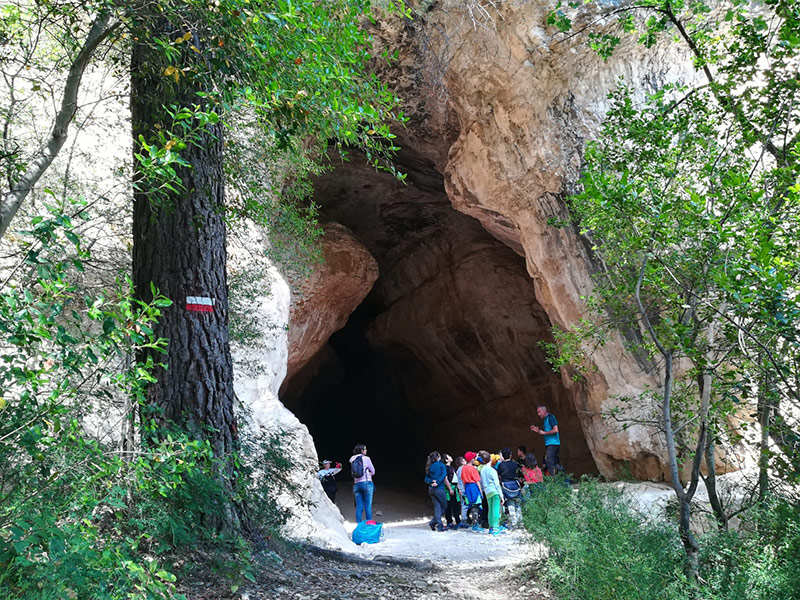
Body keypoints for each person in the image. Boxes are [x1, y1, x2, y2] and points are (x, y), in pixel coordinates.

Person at [478, 450, 505, 536]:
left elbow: (481, 482)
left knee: (490, 509)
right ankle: (496, 528)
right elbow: (497, 484)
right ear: (490, 460)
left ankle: (491, 527)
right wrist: (501, 496)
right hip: (494, 491)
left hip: (487, 491)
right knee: (496, 510)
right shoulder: (492, 470)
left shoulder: (482, 470)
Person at [530, 404, 562, 476]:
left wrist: (544, 432)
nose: (538, 414)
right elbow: (544, 432)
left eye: (539, 412)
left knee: (548, 460)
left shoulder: (550, 417)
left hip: (553, 443)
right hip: (549, 443)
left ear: (544, 411)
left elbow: (555, 430)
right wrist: (538, 431)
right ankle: (560, 476)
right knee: (553, 461)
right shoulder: (545, 419)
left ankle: (554, 479)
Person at [496, 447, 523, 527]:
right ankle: (520, 522)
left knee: (510, 503)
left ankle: (514, 522)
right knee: (518, 503)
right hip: (515, 485)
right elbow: (519, 474)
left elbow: (499, 476)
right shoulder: (515, 464)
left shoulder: (500, 465)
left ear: (503, 456)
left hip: (506, 485)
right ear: (510, 455)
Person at [350, 443, 375, 523]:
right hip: (367, 483)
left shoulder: (352, 459)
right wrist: (370, 474)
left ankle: (359, 526)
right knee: (368, 506)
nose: (366, 450)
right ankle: (369, 526)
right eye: (365, 449)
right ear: (362, 450)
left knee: (359, 506)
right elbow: (373, 471)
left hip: (356, 484)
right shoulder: (366, 459)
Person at [424, 451, 447, 532]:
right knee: (444, 506)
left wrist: (431, 482)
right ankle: (434, 522)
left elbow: (426, 479)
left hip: (431, 489)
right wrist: (437, 482)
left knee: (437, 507)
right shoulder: (441, 465)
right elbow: (443, 475)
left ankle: (438, 524)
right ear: (438, 457)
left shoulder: (429, 466)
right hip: (439, 489)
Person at [442, 454, 461, 530]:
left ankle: (457, 521)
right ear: (446, 460)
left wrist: (458, 488)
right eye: (449, 456)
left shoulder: (452, 468)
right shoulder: (445, 468)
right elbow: (445, 478)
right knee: (449, 506)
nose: (451, 457)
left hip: (454, 487)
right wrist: (450, 488)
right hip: (449, 488)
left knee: (456, 505)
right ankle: (449, 521)